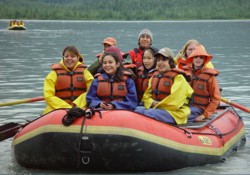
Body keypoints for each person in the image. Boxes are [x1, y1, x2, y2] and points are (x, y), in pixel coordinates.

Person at [135, 48, 193, 125]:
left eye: (164, 60)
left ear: (171, 62)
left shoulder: (179, 78)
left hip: (175, 113)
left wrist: (156, 105)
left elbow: (175, 102)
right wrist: (152, 103)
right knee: (136, 110)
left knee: (148, 113)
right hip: (157, 109)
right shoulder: (154, 77)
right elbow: (146, 96)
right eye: (158, 60)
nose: (160, 63)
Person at [43, 46, 94, 114]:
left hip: (80, 109)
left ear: (78, 58)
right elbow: (48, 96)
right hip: (57, 111)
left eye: (72, 56)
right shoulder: (53, 74)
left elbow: (91, 91)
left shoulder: (85, 72)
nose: (69, 59)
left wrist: (76, 105)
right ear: (63, 58)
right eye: (66, 56)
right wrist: (67, 108)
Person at [184, 45, 221, 122]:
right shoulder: (186, 73)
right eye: (196, 57)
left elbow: (215, 99)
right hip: (185, 106)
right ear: (192, 59)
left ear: (204, 60)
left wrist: (204, 115)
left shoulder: (210, 77)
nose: (198, 59)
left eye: (201, 57)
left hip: (200, 108)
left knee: (180, 115)